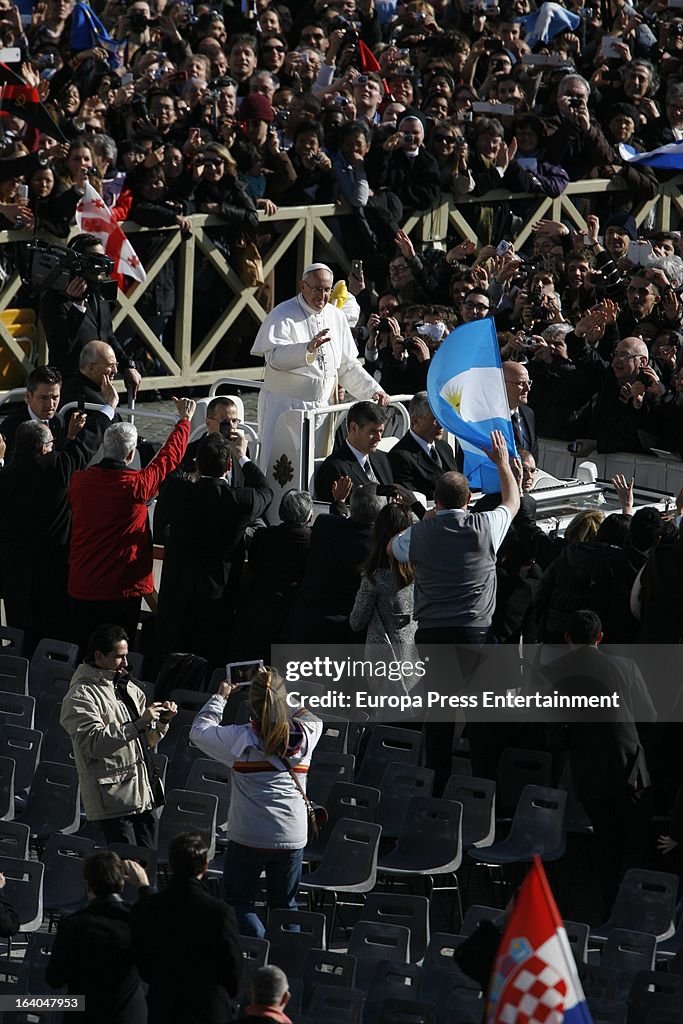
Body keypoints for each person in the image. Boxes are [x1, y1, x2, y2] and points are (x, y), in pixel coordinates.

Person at [390, 431, 521, 793]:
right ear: (468, 500)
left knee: (440, 720)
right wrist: (502, 464)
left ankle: (436, 789)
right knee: (481, 721)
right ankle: (483, 790)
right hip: (475, 636)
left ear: (435, 499)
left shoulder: (419, 534)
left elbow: (392, 547)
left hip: (433, 636)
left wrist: (427, 520)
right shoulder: (485, 527)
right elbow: (512, 501)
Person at [190, 668, 322, 938]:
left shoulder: (238, 738)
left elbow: (199, 731)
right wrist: (279, 694)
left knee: (239, 902)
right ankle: (287, 960)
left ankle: (260, 949)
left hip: (249, 834)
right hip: (291, 834)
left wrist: (220, 696)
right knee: (285, 905)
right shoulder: (308, 733)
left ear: (252, 703)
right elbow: (310, 715)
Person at [67, 397, 195, 649]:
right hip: (121, 588)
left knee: (84, 650)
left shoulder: (80, 481)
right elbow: (168, 459)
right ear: (131, 453)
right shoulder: (137, 486)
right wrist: (184, 421)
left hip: (83, 583)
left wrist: (71, 437)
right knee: (118, 652)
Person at [250, 262, 389, 473]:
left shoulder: (336, 316)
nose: (322, 295)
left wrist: (373, 389)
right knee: (283, 470)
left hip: (323, 408)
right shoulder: (283, 314)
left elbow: (346, 366)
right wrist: (306, 349)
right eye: (316, 289)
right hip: (287, 408)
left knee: (316, 468)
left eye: (327, 290)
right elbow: (274, 358)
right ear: (302, 286)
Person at [153, 431, 273, 670]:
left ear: (198, 463)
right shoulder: (240, 500)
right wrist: (242, 456)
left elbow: (174, 472)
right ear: (228, 465)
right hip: (216, 598)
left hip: (177, 594)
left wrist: (197, 447)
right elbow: (265, 491)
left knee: (171, 663)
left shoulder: (178, 490)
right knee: (209, 665)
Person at [0, 410, 110, 655]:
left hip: (15, 574)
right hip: (52, 573)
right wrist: (106, 411)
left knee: (20, 636)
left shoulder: (5, 476)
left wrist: (67, 438)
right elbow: (84, 449)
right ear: (43, 448)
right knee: (53, 638)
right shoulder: (57, 468)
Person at [60, 624, 177, 846]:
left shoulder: (130, 688)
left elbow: (147, 741)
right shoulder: (80, 695)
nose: (125, 663)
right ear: (98, 656)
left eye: (126, 656)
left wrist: (162, 722)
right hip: (113, 801)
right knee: (127, 869)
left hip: (144, 794)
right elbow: (93, 744)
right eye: (118, 657)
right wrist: (139, 723)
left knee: (146, 867)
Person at [130, 832, 242, 1024]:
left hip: (163, 1006)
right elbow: (233, 970)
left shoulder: (148, 907)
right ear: (205, 866)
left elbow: (141, 960)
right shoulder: (220, 912)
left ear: (171, 866)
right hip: (209, 1009)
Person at [45, 850, 151, 1024]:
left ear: (88, 885)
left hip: (86, 1015)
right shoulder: (136, 921)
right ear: (122, 885)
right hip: (129, 1014)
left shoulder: (74, 924)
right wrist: (144, 887)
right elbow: (161, 925)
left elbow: (55, 979)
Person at [38, 233, 141, 396]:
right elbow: (61, 348)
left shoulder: (97, 293)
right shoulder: (55, 299)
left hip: (102, 385)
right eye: (96, 259)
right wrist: (77, 306)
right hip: (73, 388)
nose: (104, 265)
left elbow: (108, 336)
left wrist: (127, 365)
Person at [283, 485, 385, 643]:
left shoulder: (324, 524)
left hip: (307, 622)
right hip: (345, 631)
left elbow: (341, 527)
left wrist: (339, 502)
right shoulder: (379, 546)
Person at [349, 503, 418, 698]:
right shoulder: (422, 572)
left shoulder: (374, 578)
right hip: (415, 660)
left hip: (384, 668)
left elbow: (356, 622)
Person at [315, 401, 394, 502]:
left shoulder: (382, 458)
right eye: (372, 432)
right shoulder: (334, 468)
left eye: (380, 431)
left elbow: (387, 494)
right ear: (354, 428)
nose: (379, 438)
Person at [388, 391, 460, 501]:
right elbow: (412, 499)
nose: (441, 425)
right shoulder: (400, 456)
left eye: (441, 418)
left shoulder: (445, 448)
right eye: (435, 419)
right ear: (415, 421)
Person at [0, 365, 65, 461]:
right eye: (44, 398)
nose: (50, 404)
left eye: (55, 397)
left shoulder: (58, 421)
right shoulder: (11, 426)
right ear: (28, 396)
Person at [503, 360, 538, 461]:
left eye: (529, 383)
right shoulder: (489, 417)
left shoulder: (528, 414)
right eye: (521, 383)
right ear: (502, 384)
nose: (528, 389)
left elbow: (533, 454)